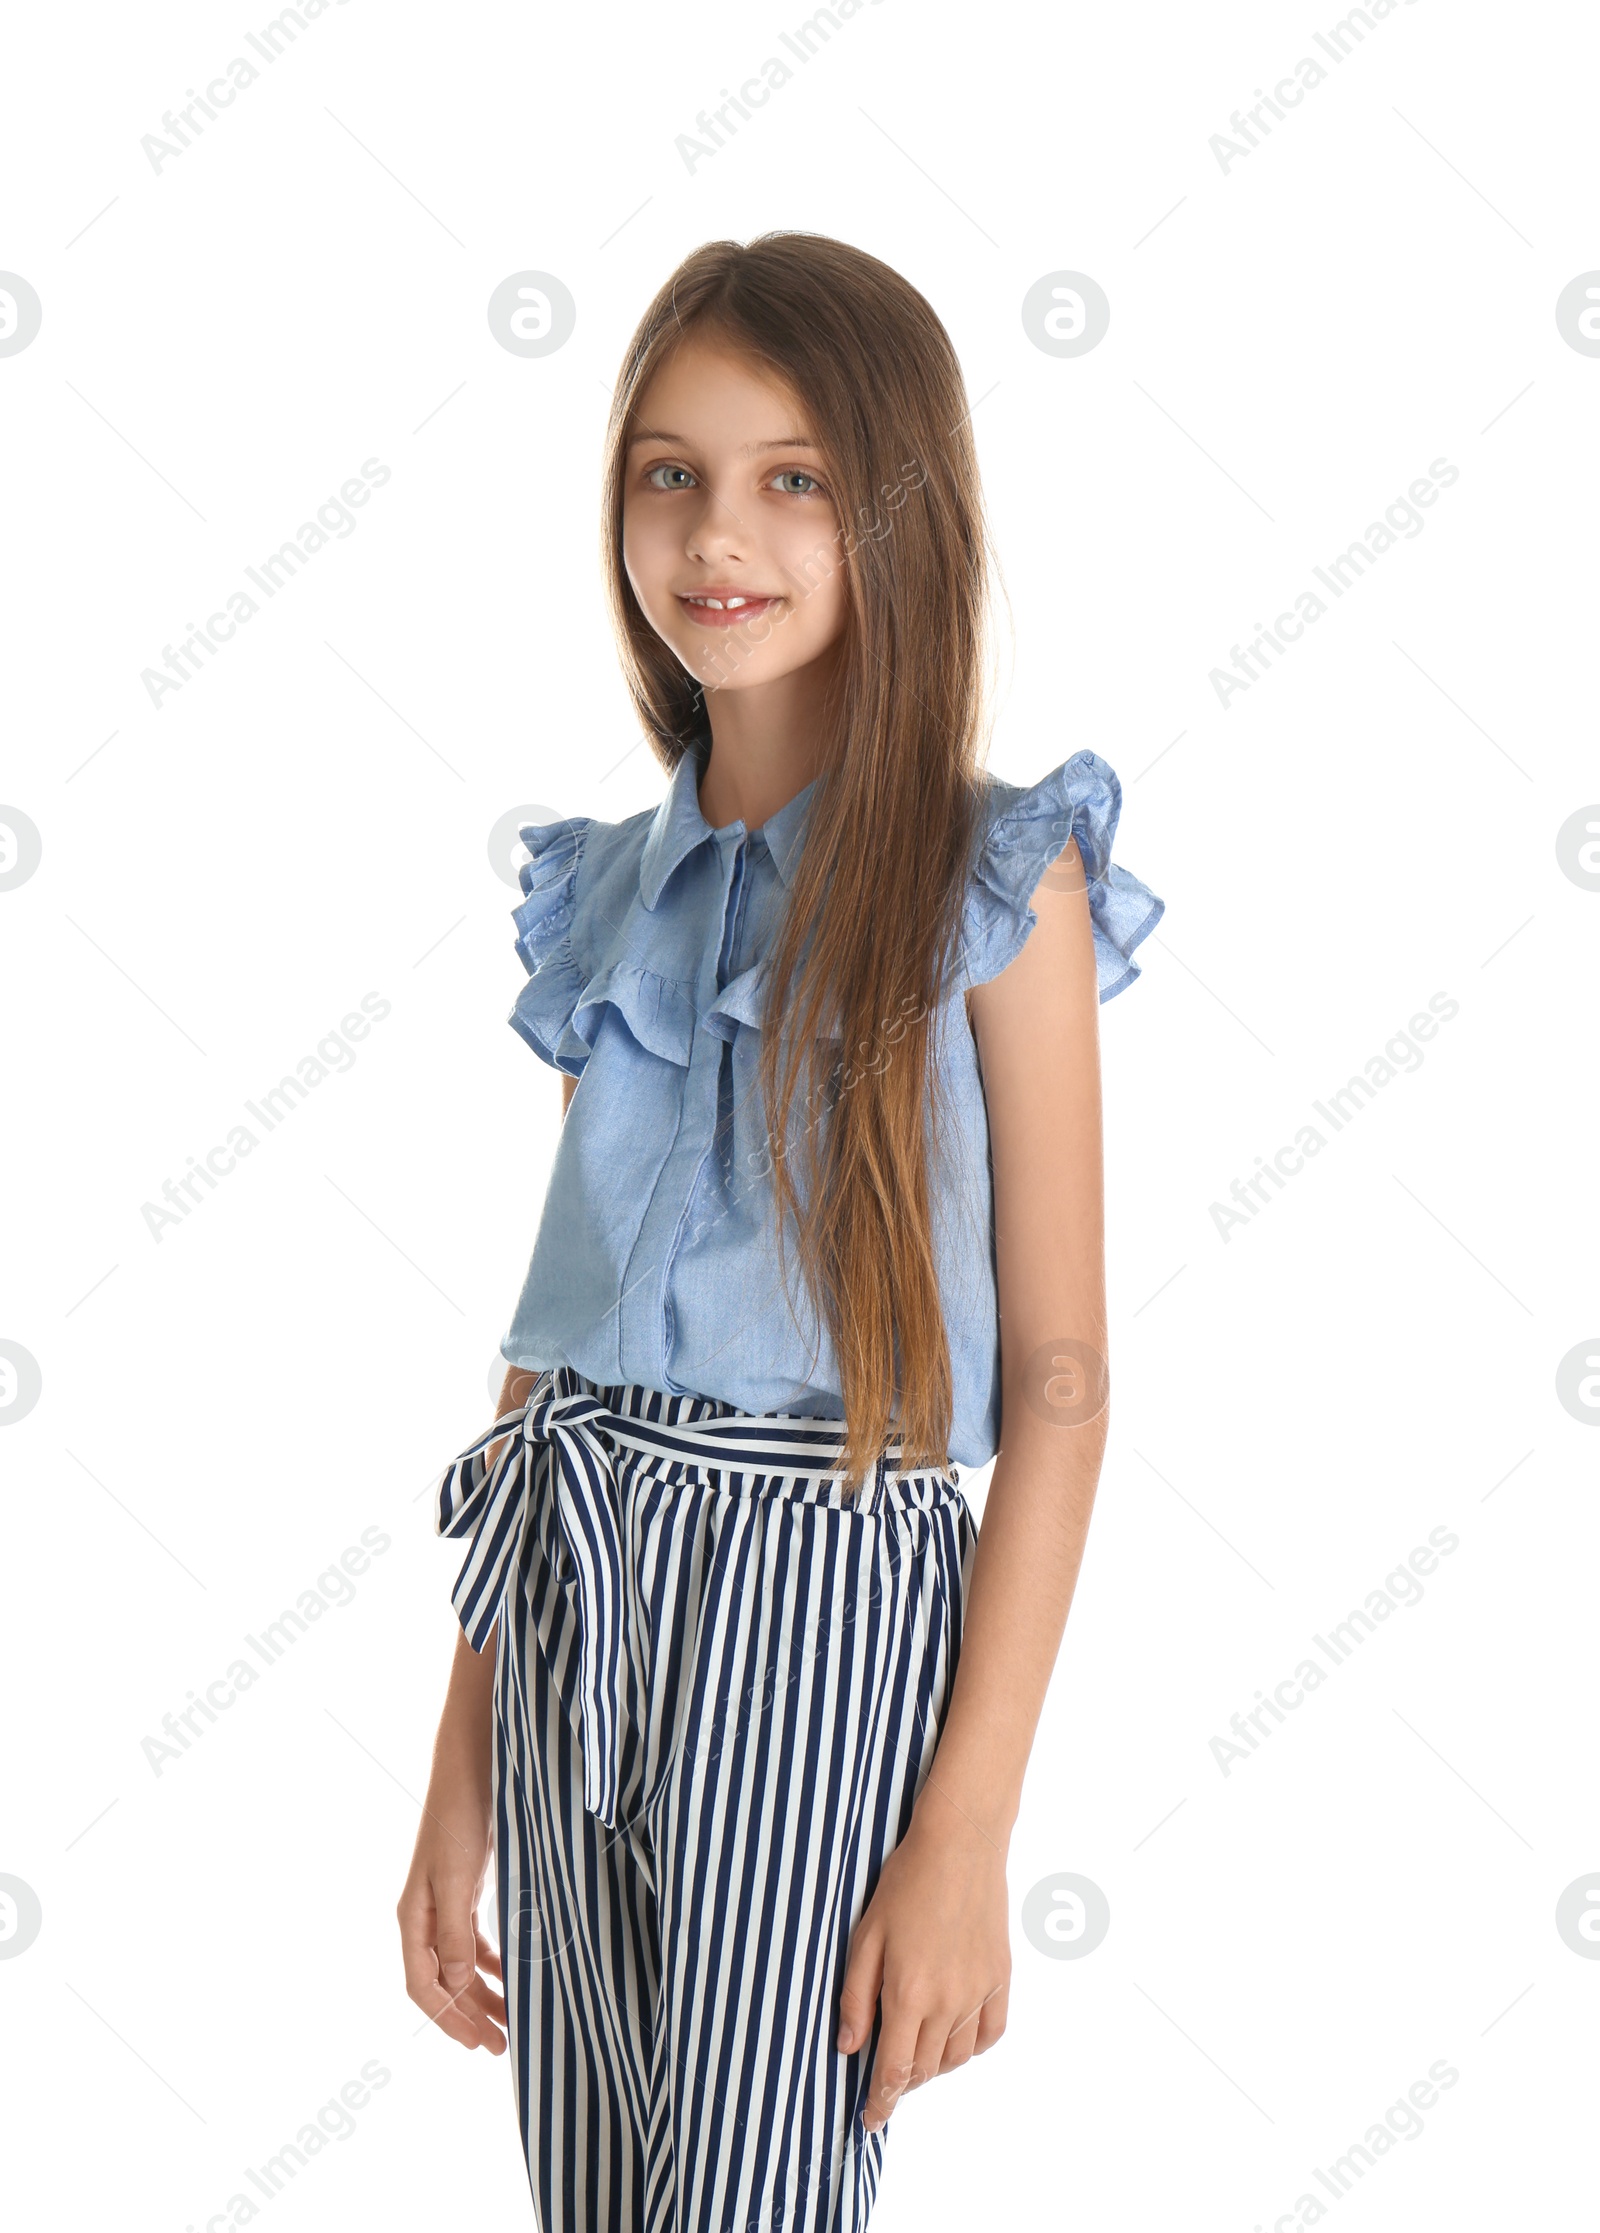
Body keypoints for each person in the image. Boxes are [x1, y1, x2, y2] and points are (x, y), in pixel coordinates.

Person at [396, 230, 1164, 2233]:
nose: (715, 530)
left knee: (747, 2192)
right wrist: (459, 1756)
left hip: (817, 1578)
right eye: (669, 471)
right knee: (593, 2191)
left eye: (790, 474)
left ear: (892, 510)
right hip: (576, 1577)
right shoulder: (600, 896)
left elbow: (1067, 1389)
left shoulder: (996, 884)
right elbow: (550, 1342)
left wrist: (966, 1828)